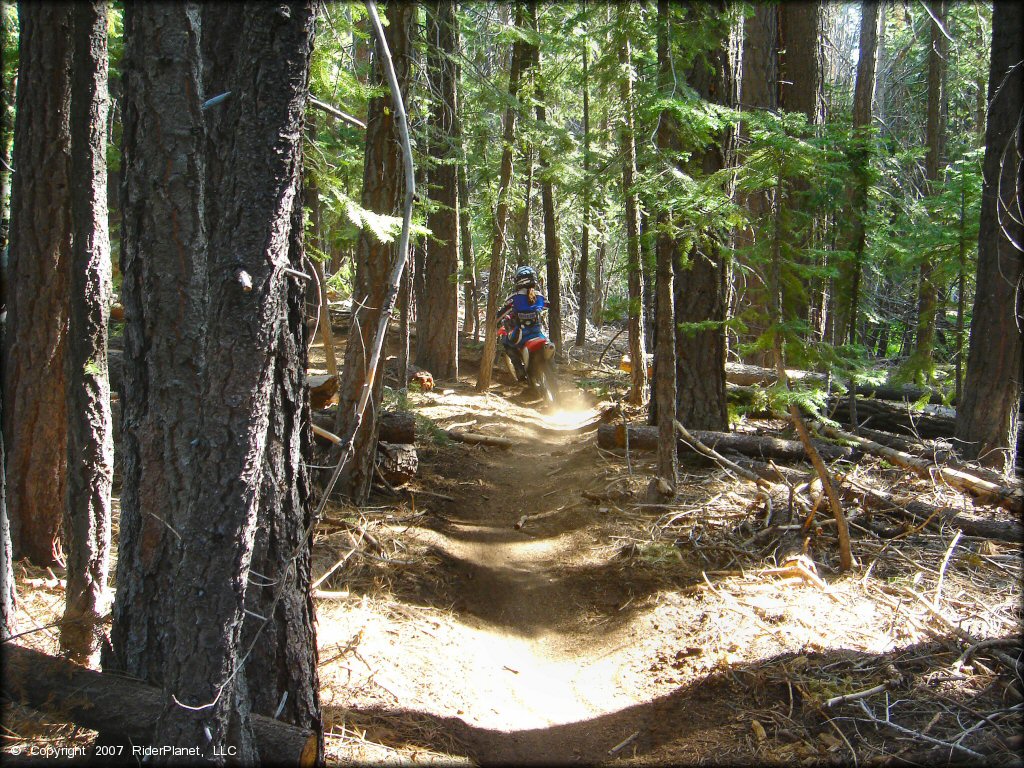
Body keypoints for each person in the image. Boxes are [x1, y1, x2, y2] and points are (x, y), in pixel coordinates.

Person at [496, 265, 547, 382]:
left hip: (522, 334)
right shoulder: (540, 296)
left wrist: (494, 321)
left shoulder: (515, 297)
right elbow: (546, 306)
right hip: (538, 333)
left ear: (519, 280)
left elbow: (501, 314)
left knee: (506, 342)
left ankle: (519, 370)